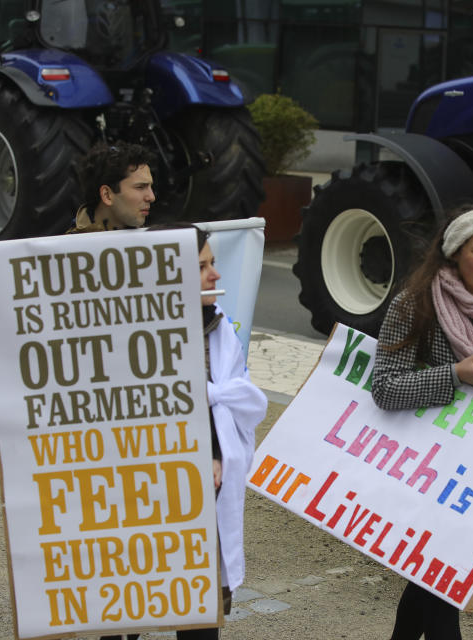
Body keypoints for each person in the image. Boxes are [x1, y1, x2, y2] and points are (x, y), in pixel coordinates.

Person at [103, 222, 268, 640]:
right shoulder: (128, 337)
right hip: (142, 491)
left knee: (199, 606)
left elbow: (227, 403)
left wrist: (214, 452)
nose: (215, 274)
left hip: (202, 495)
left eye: (213, 263)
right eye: (202, 266)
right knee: (130, 603)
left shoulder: (219, 328)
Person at [371, 206, 473, 640]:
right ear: (456, 253)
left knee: (432, 576)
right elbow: (384, 387)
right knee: (439, 574)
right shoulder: (414, 305)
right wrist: (457, 375)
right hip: (426, 463)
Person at [70, 141, 156, 233]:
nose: (151, 197)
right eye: (140, 187)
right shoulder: (69, 247)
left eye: (150, 186)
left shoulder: (158, 241)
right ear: (107, 195)